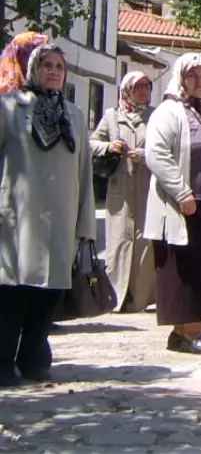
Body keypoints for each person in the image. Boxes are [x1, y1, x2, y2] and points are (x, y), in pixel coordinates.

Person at [0, 42, 93, 387]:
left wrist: (85, 223)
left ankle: (34, 358)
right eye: (46, 65)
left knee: (48, 293)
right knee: (12, 294)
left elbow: (84, 171)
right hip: (17, 216)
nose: (53, 71)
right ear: (32, 69)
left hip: (60, 217)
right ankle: (4, 362)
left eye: (59, 66)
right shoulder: (9, 108)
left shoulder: (75, 116)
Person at [144, 54, 201, 355]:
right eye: (193, 75)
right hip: (183, 204)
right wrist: (181, 192)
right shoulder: (169, 111)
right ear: (181, 78)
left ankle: (184, 334)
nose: (200, 81)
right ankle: (190, 333)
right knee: (184, 270)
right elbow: (156, 154)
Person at [89, 71, 156, 313]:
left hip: (147, 189)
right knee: (118, 243)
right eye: (137, 87)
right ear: (126, 89)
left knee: (144, 244)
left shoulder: (155, 116)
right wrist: (109, 146)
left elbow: (166, 149)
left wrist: (145, 156)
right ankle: (116, 296)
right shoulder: (111, 116)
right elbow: (92, 143)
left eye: (146, 86)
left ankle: (140, 297)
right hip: (120, 190)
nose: (142, 91)